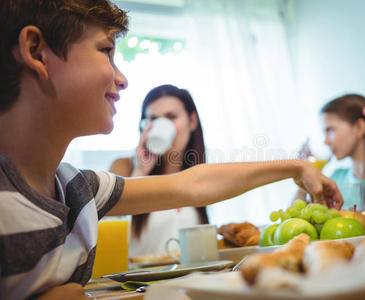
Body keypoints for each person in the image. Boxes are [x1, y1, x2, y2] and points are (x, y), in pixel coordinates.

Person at [0, 1, 342, 299]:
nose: (122, 80)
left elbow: (193, 185)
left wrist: (296, 167)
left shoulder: (78, 189)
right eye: (106, 51)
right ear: (36, 51)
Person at [109, 84, 209, 257]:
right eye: (153, 119)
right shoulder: (124, 167)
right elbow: (106, 236)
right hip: (139, 281)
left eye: (171, 117)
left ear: (192, 121)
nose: (161, 125)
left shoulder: (200, 174)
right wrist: (140, 172)